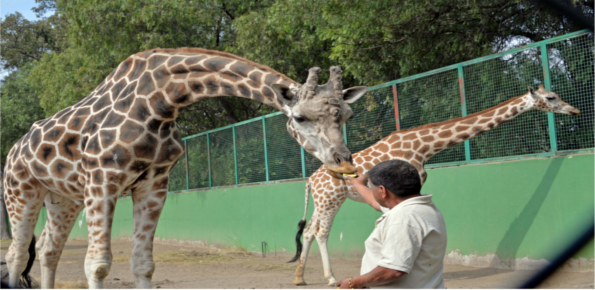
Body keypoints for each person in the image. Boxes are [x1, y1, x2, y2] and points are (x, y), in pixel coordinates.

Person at [337, 160, 447, 289]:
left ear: (383, 191)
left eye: (373, 187)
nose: (372, 191)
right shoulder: (422, 208)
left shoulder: (403, 218)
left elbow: (393, 270)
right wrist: (358, 183)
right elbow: (376, 202)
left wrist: (353, 282)